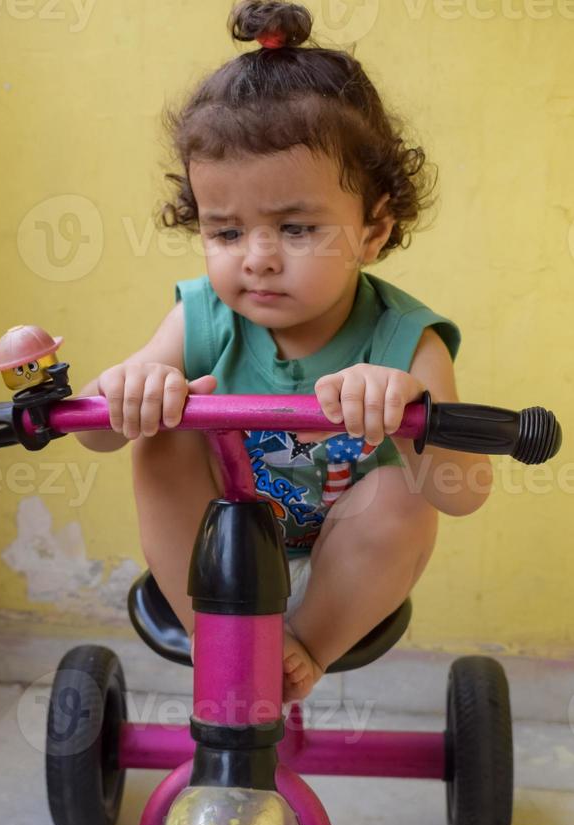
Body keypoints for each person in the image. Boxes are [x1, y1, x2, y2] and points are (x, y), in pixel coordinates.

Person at [76, 0, 493, 704]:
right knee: (160, 440)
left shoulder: (405, 340)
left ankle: (304, 651)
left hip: (345, 568)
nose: (258, 260)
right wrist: (128, 391)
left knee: (402, 492)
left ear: (371, 231)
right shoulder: (202, 318)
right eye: (226, 233)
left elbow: (462, 495)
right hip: (214, 558)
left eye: (296, 228)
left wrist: (414, 415)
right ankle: (220, 640)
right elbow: (98, 438)